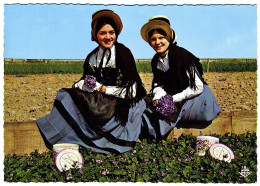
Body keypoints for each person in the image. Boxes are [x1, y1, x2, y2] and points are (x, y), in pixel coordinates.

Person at [37, 9, 147, 154]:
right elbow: (86, 81)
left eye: (111, 33)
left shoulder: (123, 54)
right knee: (67, 95)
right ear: (95, 35)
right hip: (104, 102)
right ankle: (59, 134)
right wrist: (82, 84)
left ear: (116, 34)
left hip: (124, 102)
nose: (108, 37)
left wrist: (102, 89)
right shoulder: (92, 57)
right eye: (103, 33)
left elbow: (131, 90)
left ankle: (101, 141)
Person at [139, 15, 221, 140]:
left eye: (161, 38)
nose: (157, 42)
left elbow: (197, 87)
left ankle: (155, 135)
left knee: (167, 109)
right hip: (177, 94)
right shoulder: (156, 60)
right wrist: (158, 95)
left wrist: (172, 99)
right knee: (148, 103)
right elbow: (158, 84)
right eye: (153, 39)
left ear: (169, 38)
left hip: (199, 98)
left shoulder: (183, 56)